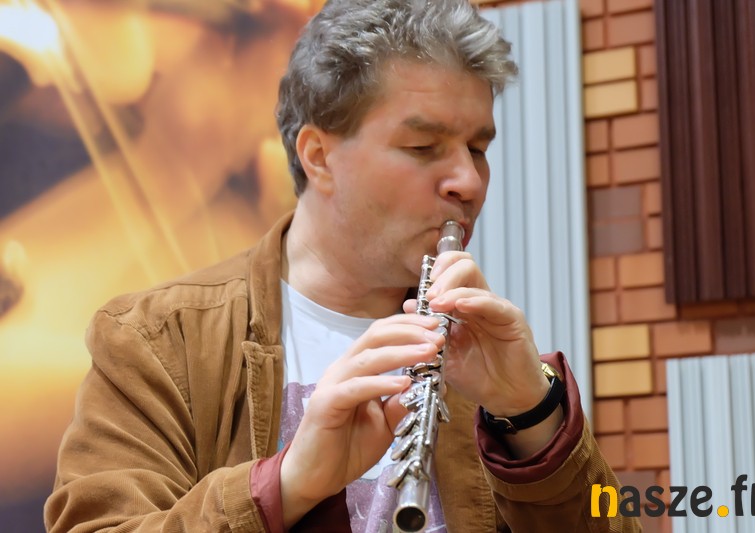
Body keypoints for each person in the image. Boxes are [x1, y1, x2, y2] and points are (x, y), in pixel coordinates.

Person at [45, 0, 640, 531]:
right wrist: (285, 485)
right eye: (423, 147)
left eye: (478, 148)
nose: (468, 181)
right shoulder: (156, 341)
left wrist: (532, 417)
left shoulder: (487, 358)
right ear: (319, 156)